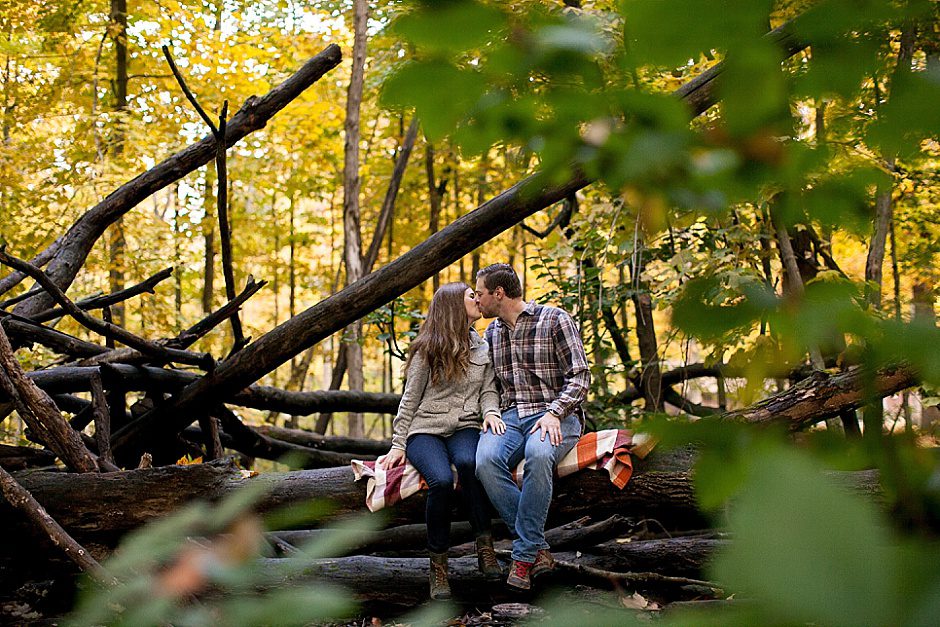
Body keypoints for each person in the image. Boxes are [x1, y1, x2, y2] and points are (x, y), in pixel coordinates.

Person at [379, 282, 505, 600]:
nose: (477, 299)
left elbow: (488, 390)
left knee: (469, 464)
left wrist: (491, 412)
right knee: (441, 481)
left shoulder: (482, 348)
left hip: (465, 426)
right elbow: (410, 399)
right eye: (471, 296)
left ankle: (485, 547)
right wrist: (398, 443)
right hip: (425, 429)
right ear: (453, 307)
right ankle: (438, 568)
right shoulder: (427, 349)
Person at [474, 263, 590, 590]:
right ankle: (537, 549)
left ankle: (523, 556)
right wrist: (491, 412)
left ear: (498, 293)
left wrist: (555, 412)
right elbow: (490, 386)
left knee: (539, 456)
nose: (477, 300)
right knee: (485, 462)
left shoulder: (554, 319)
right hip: (511, 417)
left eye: (480, 293)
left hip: (555, 414)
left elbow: (580, 377)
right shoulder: (492, 334)